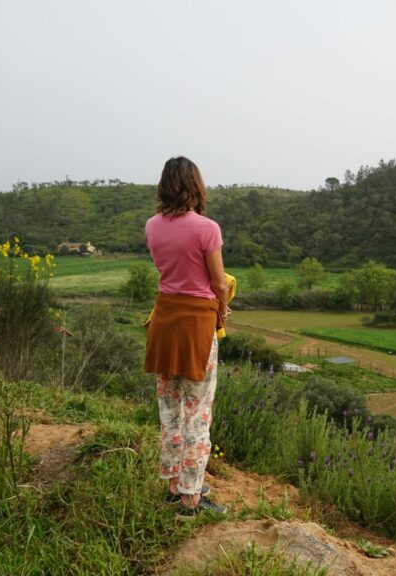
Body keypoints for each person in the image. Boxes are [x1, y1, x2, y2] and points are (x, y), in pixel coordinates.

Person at [144, 156, 230, 519]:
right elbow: (219, 283)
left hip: (164, 322)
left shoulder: (151, 226)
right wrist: (222, 309)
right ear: (195, 185)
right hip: (196, 325)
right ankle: (191, 500)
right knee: (198, 414)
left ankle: (174, 484)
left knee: (170, 410)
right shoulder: (207, 228)